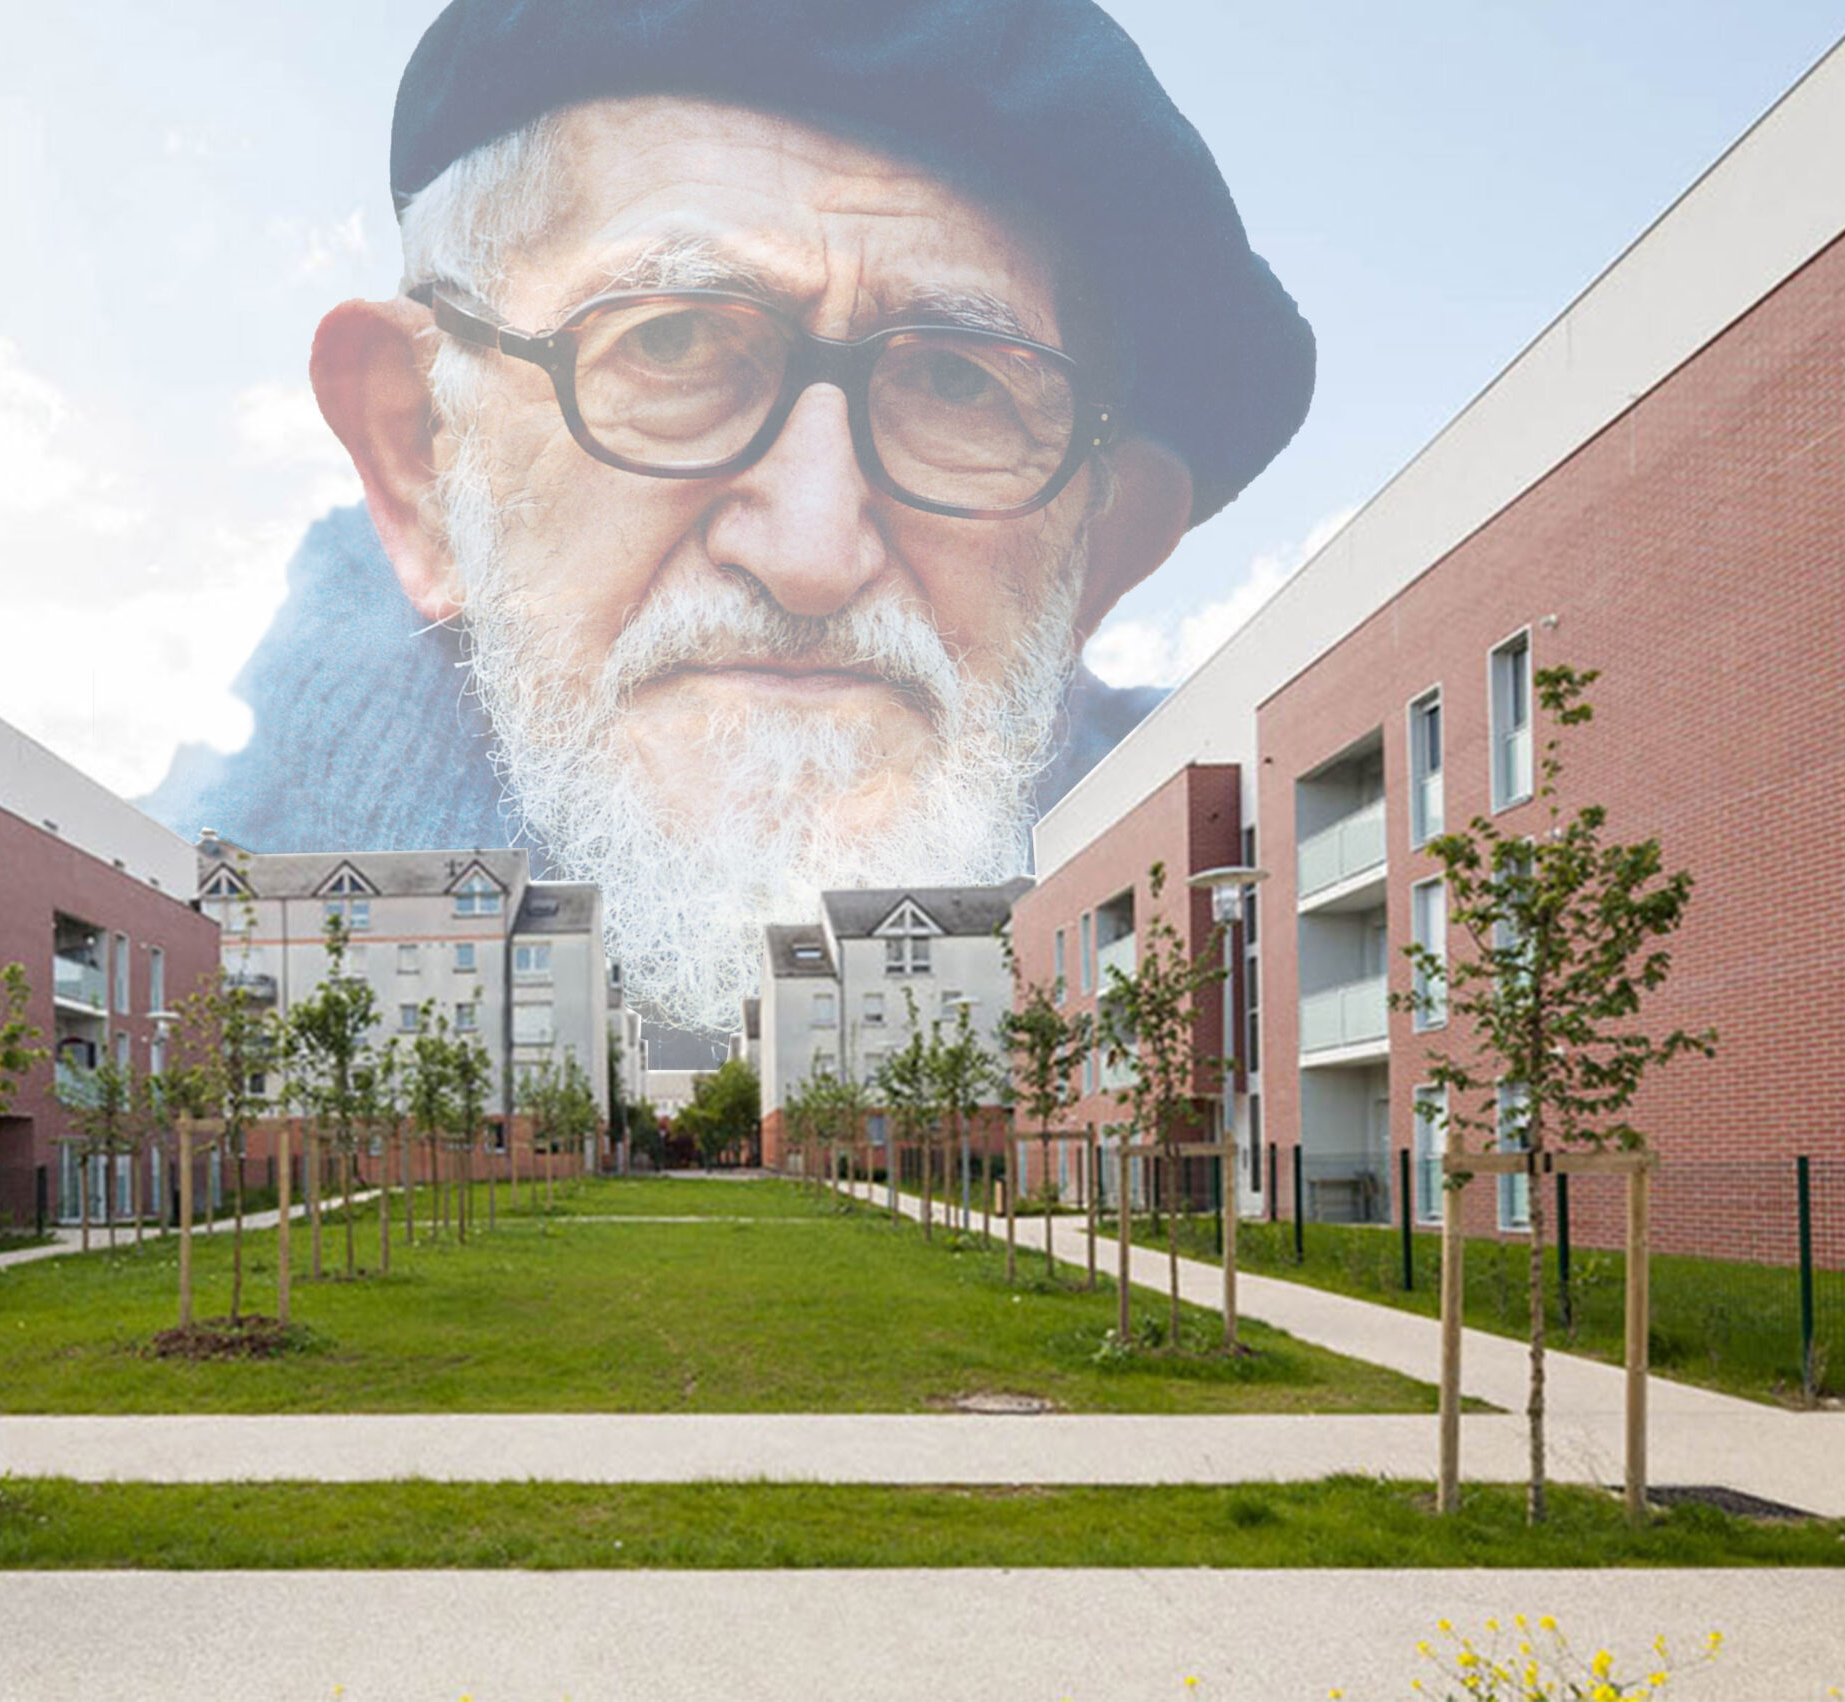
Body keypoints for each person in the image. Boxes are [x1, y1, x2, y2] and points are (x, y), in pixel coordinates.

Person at [171, 0, 1313, 1041]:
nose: (813, 549)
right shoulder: (195, 898)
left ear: (1095, 556)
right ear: (422, 459)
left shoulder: (1244, 875)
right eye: (668, 342)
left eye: (963, 383)